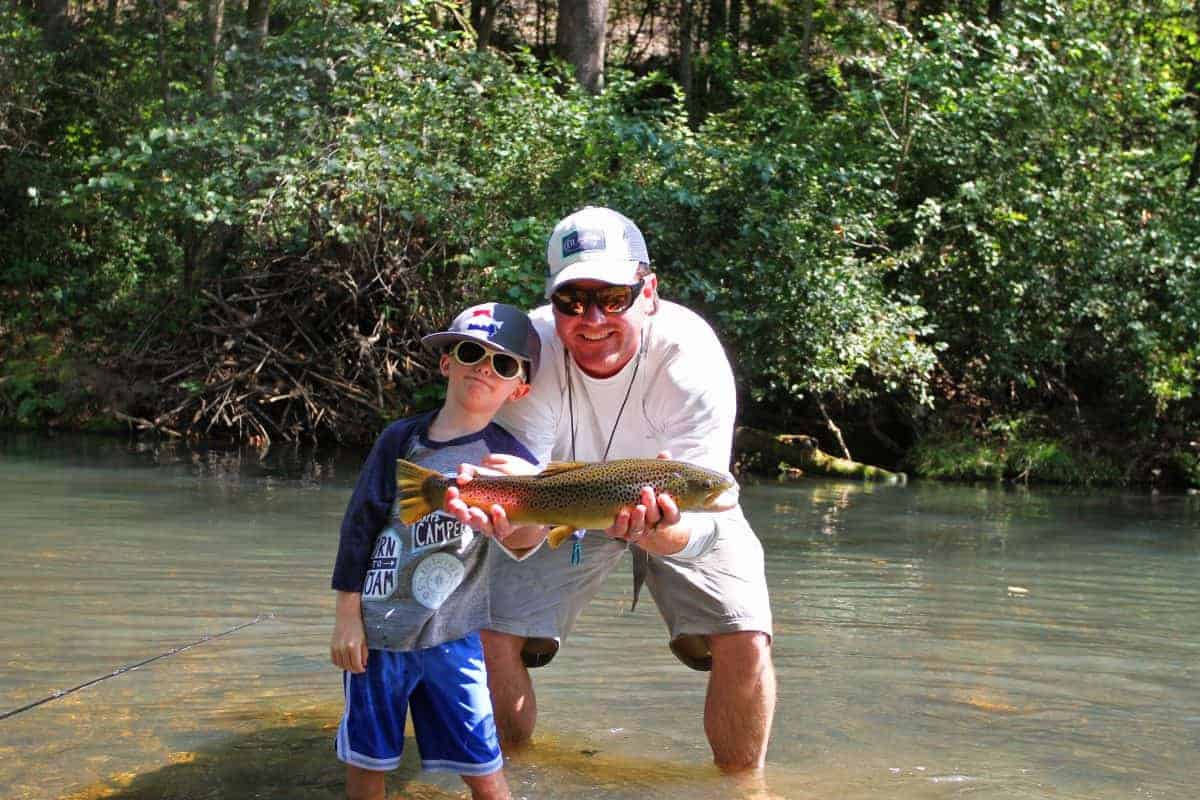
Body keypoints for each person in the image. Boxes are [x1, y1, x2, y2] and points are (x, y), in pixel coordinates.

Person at [445, 206, 776, 773]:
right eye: (572, 301)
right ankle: (505, 777)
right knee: (488, 629)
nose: (592, 319)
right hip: (565, 505)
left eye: (613, 298)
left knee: (745, 631)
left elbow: (707, 514)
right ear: (553, 301)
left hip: (670, 510)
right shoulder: (533, 351)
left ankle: (742, 787)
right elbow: (527, 504)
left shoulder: (690, 356)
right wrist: (506, 523)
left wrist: (662, 531)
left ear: (647, 292)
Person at [329, 302, 550, 800]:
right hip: (379, 633)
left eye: (503, 363)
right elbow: (359, 526)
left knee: (486, 769)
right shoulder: (398, 440)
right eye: (471, 352)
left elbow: (529, 538)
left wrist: (523, 522)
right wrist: (347, 616)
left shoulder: (512, 461)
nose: (484, 369)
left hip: (456, 637)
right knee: (369, 762)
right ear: (446, 361)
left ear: (520, 388)